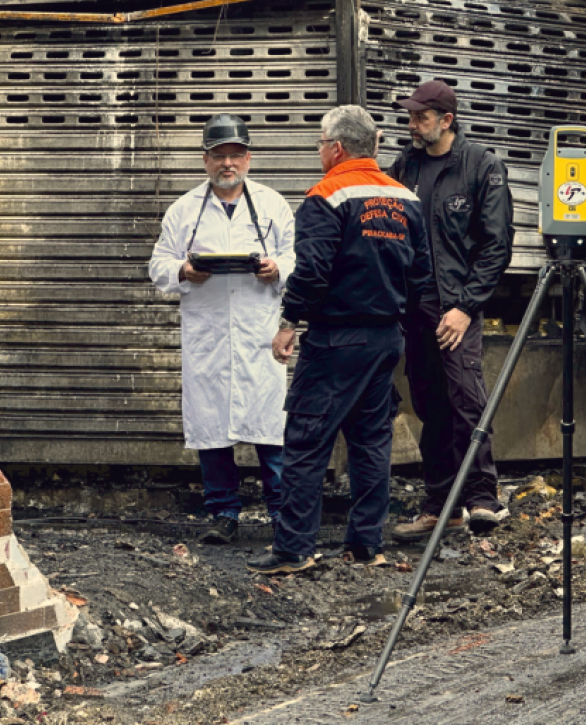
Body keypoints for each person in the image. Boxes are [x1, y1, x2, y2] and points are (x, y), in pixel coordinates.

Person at [246, 105, 432, 575]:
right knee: (371, 442)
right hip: (386, 337)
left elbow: (311, 271)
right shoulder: (405, 198)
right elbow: (422, 273)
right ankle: (367, 545)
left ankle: (293, 550)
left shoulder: (326, 195)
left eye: (319, 144)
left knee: (307, 440)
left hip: (336, 341)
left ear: (336, 148)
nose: (319, 153)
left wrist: (289, 322)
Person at [148, 114, 296, 545]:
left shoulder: (272, 205)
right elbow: (157, 264)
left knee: (270, 425)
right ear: (205, 160)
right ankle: (223, 513)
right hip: (208, 335)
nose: (227, 163)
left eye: (235, 155)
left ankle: (282, 513)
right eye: (219, 156)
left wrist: (277, 269)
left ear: (248, 157)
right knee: (212, 426)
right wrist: (183, 270)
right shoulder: (184, 209)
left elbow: (298, 258)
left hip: (259, 332)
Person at [386, 79, 514, 541]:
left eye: (421, 117)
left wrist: (464, 307)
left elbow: (496, 246)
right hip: (415, 310)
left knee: (466, 399)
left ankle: (482, 497)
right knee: (430, 406)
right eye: (412, 116)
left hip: (457, 309)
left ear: (446, 120)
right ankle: (441, 507)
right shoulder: (405, 166)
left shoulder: (481, 166)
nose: (413, 124)